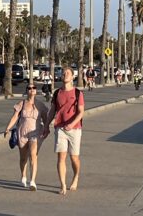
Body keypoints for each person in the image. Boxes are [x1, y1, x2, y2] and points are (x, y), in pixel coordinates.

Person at [44, 67, 85, 195]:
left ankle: (76, 176)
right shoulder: (57, 93)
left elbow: (81, 112)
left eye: (68, 73)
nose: (65, 75)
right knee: (61, 157)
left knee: (74, 158)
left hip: (75, 129)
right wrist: (46, 125)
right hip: (60, 128)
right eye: (64, 73)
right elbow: (52, 111)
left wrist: (72, 124)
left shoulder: (78, 93)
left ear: (72, 77)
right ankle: (63, 184)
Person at [4, 83, 48, 191]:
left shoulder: (40, 105)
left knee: (33, 155)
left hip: (35, 133)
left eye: (34, 88)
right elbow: (15, 117)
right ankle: (23, 176)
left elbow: (46, 119)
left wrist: (47, 129)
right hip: (22, 133)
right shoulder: (22, 103)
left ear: (36, 91)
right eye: (29, 88)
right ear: (27, 90)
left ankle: (32, 181)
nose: (32, 89)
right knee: (23, 158)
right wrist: (8, 128)